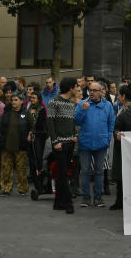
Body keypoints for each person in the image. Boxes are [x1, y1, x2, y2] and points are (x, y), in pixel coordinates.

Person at [75, 80, 115, 207]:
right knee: (85, 171)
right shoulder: (82, 103)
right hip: (85, 143)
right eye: (90, 90)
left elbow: (111, 123)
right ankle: (86, 197)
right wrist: (82, 110)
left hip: (101, 143)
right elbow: (76, 121)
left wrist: (108, 138)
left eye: (94, 90)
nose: (91, 92)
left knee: (99, 172)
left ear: (101, 92)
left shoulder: (108, 105)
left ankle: (98, 197)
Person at [47, 77, 79, 214]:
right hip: (60, 144)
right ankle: (68, 203)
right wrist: (55, 142)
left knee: (62, 174)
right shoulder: (54, 102)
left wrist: (74, 135)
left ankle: (58, 203)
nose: (78, 88)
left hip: (70, 143)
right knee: (64, 174)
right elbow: (50, 123)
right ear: (70, 87)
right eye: (76, 86)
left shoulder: (71, 103)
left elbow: (71, 122)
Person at [0, 92, 31, 196]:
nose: (13, 102)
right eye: (12, 100)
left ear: (21, 101)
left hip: (21, 145)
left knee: (21, 169)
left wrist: (30, 133)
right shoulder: (6, 113)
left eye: (16, 100)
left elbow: (32, 127)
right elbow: (1, 128)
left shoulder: (26, 113)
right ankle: (6, 188)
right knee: (6, 168)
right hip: (7, 145)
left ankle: (22, 188)